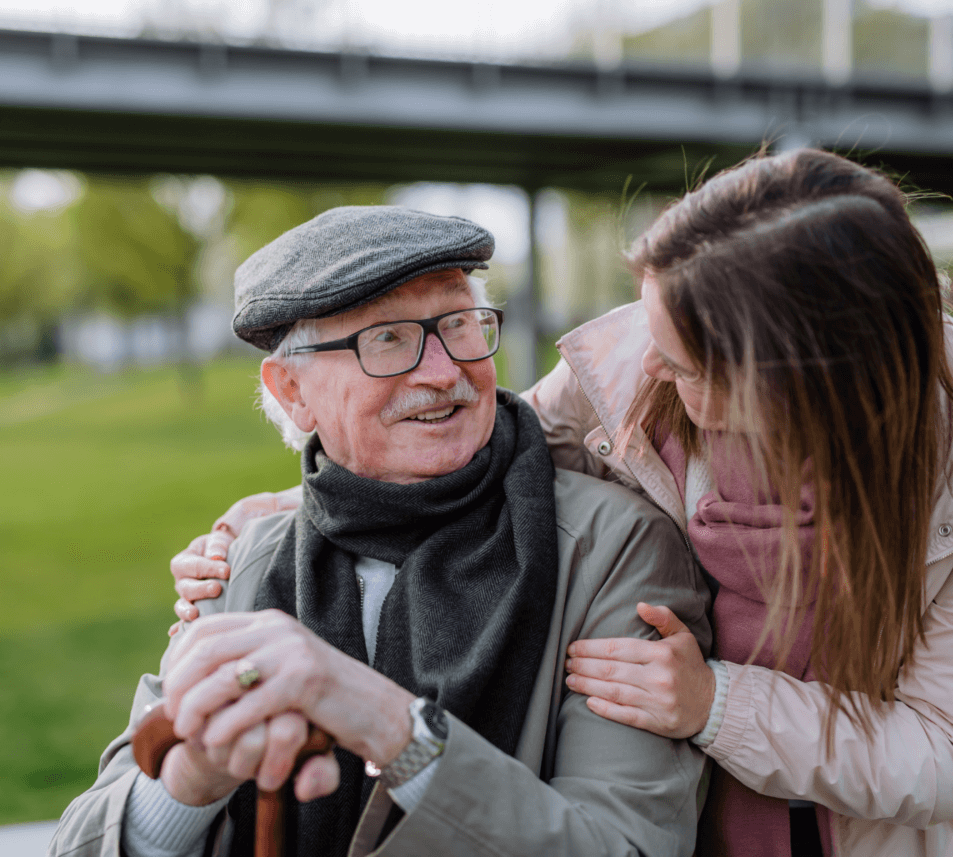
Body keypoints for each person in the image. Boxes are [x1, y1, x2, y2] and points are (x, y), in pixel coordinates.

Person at [173, 149, 953, 857]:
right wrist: (307, 509)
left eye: (681, 359)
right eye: (650, 323)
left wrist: (717, 702)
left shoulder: (929, 476)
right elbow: (487, 439)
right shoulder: (633, 374)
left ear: (787, 385)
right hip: (707, 799)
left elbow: (939, 749)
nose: (647, 362)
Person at [49, 206, 712, 857]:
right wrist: (193, 774)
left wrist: (379, 718)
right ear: (291, 391)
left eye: (458, 324)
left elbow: (627, 844)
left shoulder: (611, 546)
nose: (444, 371)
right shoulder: (242, 560)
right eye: (388, 339)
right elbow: (81, 843)